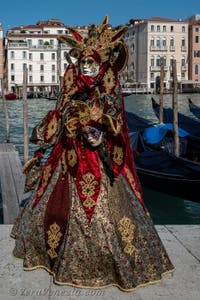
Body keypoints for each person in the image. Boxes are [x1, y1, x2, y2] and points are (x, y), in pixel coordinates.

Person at [11, 16, 174, 291]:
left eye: (92, 62)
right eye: (83, 62)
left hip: (100, 160)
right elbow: (59, 115)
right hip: (70, 155)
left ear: (101, 63)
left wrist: (99, 129)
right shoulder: (71, 84)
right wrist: (67, 124)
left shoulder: (108, 86)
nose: (87, 67)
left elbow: (115, 120)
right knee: (55, 207)